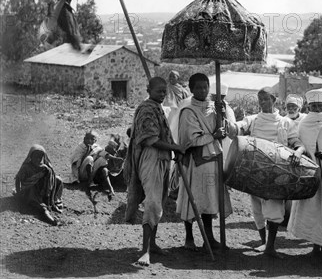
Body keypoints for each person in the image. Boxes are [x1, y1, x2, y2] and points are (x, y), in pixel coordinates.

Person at [228, 86, 305, 258]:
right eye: (260, 99)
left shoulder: (286, 122)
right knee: (257, 208)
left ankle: (270, 246)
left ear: (274, 100)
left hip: (277, 171)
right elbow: (236, 128)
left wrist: (298, 152)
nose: (262, 102)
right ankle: (263, 242)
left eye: (265, 99)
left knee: (274, 207)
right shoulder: (253, 120)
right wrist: (225, 119)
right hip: (254, 170)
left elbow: (297, 143)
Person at [125, 77, 189, 266]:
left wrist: (172, 149)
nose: (162, 94)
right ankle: (145, 251)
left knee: (159, 201)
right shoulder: (146, 108)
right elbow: (149, 140)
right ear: (148, 89)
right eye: (158, 91)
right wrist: (175, 147)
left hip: (162, 158)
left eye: (164, 91)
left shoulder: (157, 107)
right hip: (151, 157)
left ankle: (152, 244)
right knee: (152, 202)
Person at [173, 73, 232, 251]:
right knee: (192, 199)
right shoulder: (188, 111)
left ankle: (210, 238)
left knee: (209, 200)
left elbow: (224, 130)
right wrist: (213, 136)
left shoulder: (215, 108)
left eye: (205, 87)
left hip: (213, 159)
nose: (202, 90)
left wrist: (222, 117)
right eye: (198, 87)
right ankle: (189, 238)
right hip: (195, 161)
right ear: (191, 89)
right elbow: (190, 140)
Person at [288, 89, 322, 254]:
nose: (317, 109)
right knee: (312, 208)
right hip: (309, 171)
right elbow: (300, 143)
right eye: (314, 106)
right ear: (309, 107)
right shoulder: (304, 124)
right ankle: (314, 245)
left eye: (320, 106)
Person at [14, 145, 63, 225]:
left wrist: (47, 171)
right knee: (43, 209)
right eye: (35, 156)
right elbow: (18, 179)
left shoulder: (45, 168)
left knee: (58, 180)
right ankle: (51, 220)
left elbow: (51, 180)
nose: (38, 159)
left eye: (40, 157)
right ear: (31, 156)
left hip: (44, 192)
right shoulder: (26, 167)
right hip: (31, 192)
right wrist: (19, 194)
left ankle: (53, 201)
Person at [70, 130, 116, 200]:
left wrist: (114, 158)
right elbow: (75, 163)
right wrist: (87, 153)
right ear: (84, 139)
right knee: (89, 158)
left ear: (95, 140)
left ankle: (107, 187)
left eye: (92, 139)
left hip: (90, 172)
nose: (89, 141)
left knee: (102, 159)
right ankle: (90, 182)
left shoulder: (96, 147)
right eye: (87, 138)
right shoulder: (80, 147)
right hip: (81, 174)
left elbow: (104, 153)